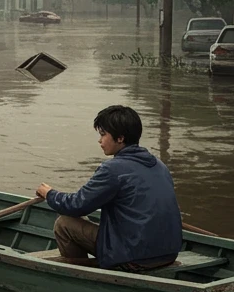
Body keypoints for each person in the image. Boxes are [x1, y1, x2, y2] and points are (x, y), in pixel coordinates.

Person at [35, 105, 182, 271]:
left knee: (64, 223)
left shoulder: (113, 169)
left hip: (134, 256)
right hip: (169, 253)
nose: (100, 140)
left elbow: (76, 205)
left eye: (103, 134)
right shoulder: (160, 165)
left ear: (120, 138)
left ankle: (81, 277)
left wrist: (49, 194)